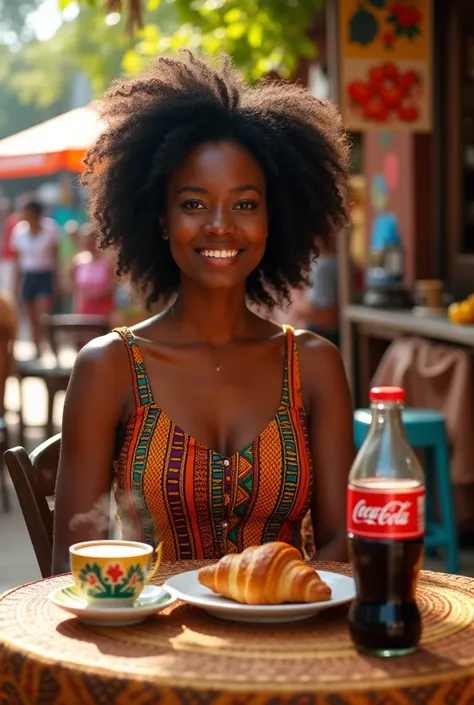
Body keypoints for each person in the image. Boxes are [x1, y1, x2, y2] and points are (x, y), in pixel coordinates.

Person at [52, 51, 354, 573]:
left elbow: (343, 543)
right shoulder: (109, 367)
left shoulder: (314, 365)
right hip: (151, 640)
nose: (220, 225)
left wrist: (274, 610)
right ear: (161, 219)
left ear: (271, 219)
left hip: (291, 637)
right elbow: (71, 564)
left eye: (244, 204)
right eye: (193, 203)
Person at [11, 201, 59, 357]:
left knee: (44, 316)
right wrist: (16, 285)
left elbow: (55, 258)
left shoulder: (50, 229)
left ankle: (52, 347)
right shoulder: (18, 231)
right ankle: (37, 350)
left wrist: (57, 281)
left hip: (44, 275)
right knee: (31, 318)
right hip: (28, 276)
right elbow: (17, 261)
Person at [70, 223, 116, 319]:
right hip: (83, 311)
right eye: (85, 239)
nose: (87, 242)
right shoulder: (78, 261)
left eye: (90, 239)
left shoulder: (108, 262)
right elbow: (72, 285)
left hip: (104, 313)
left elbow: (113, 286)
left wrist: (97, 295)